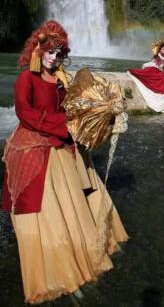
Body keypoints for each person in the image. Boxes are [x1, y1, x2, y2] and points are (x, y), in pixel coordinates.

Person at [1, 20, 128, 304]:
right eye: (50, 52)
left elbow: (74, 106)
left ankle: (88, 247)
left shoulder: (62, 79)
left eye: (60, 54)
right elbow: (25, 113)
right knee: (44, 203)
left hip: (63, 141)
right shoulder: (27, 79)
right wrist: (63, 125)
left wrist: (98, 114)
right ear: (38, 50)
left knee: (85, 189)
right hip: (35, 140)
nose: (54, 58)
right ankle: (56, 261)